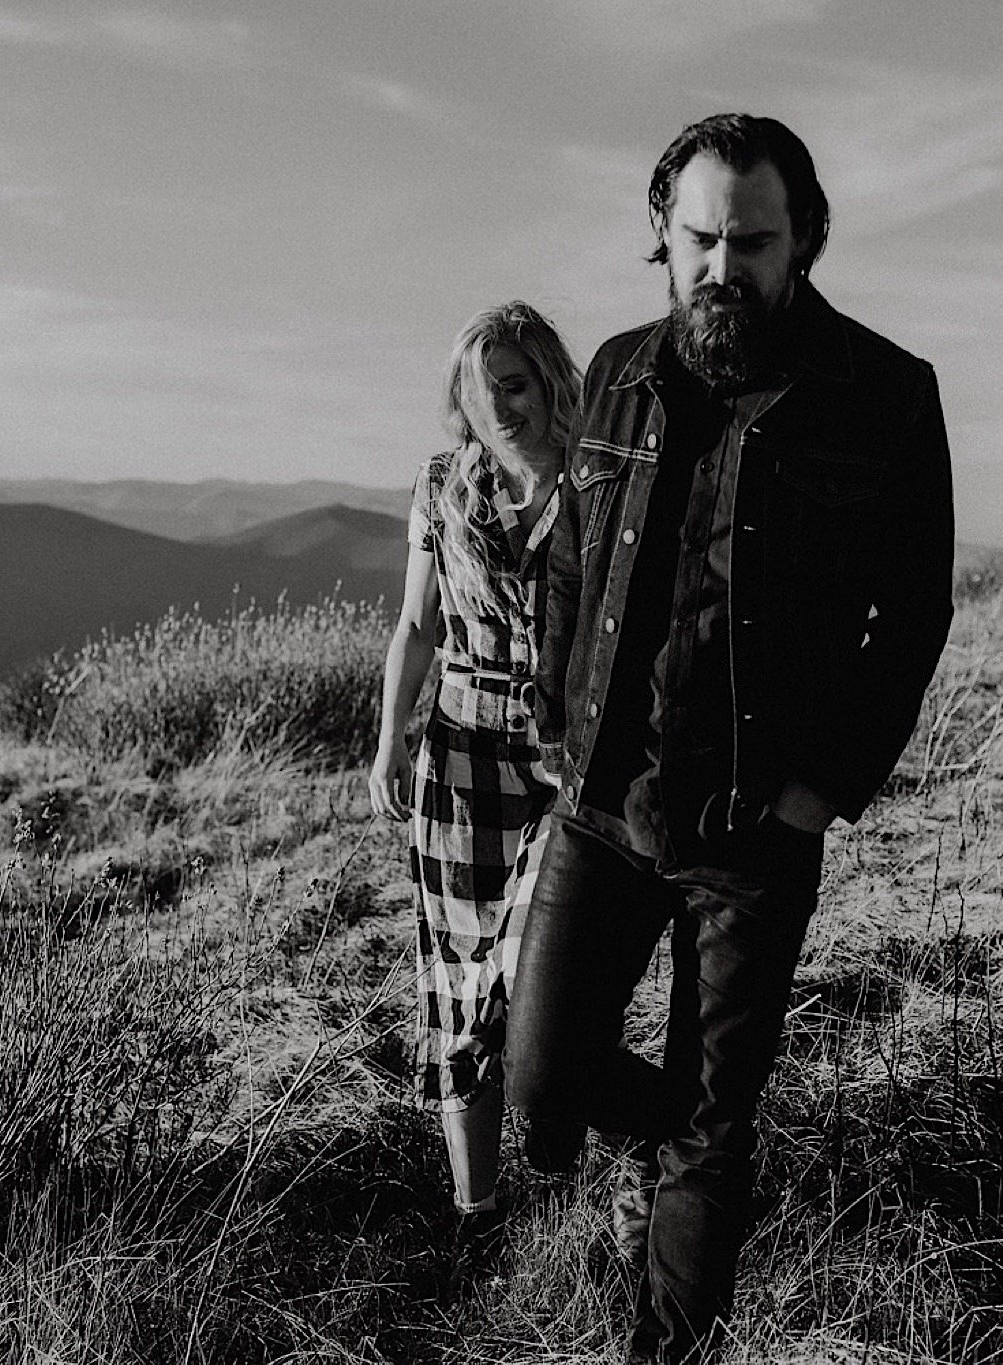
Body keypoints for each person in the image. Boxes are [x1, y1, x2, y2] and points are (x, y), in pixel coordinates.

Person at [505, 114, 956, 1362]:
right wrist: (553, 717)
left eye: (748, 242)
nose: (720, 266)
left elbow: (912, 610)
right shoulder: (610, 372)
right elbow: (571, 565)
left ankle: (670, 1323)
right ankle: (688, 1152)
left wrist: (823, 788)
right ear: (661, 234)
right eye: (697, 238)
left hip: (753, 828)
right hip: (601, 803)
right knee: (540, 1091)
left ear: (800, 242)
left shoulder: (883, 394)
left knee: (715, 1123)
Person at [369, 300, 582, 1250]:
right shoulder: (442, 487)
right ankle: (478, 1216)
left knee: (544, 967)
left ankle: (563, 1140)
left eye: (515, 383)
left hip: (568, 767)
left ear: (548, 382)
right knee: (460, 996)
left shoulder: (594, 484)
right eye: (480, 388)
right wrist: (387, 744)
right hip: (457, 760)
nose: (500, 406)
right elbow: (415, 628)